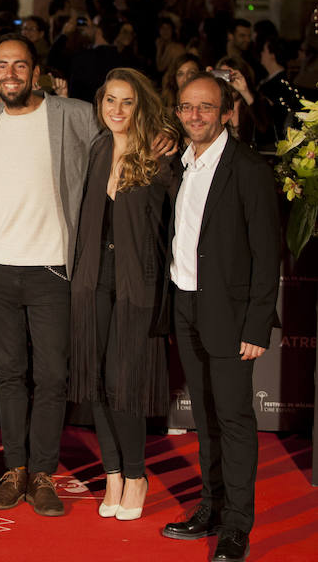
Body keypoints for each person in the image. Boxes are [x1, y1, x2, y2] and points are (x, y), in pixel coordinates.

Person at [0, 34, 173, 516]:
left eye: (20, 65)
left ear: (36, 71)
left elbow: (132, 129)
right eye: (2, 66)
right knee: (10, 376)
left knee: (54, 379)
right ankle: (14, 470)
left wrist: (168, 136)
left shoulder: (76, 114)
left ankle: (43, 474)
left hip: (54, 271)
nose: (11, 74)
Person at [161, 73, 280, 562]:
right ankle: (210, 507)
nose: (195, 116)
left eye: (205, 108)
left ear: (227, 111)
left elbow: (266, 253)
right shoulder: (181, 163)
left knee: (232, 419)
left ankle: (236, 527)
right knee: (205, 418)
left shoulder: (247, 168)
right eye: (187, 107)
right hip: (185, 304)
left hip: (230, 316)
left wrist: (256, 326)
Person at [68, 68, 176, 522]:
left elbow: (175, 225)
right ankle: (111, 473)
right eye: (109, 100)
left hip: (137, 285)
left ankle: (136, 475)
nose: (116, 110)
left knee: (122, 384)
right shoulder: (97, 148)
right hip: (93, 280)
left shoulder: (158, 156)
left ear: (141, 105)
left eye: (126, 102)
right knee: (94, 380)